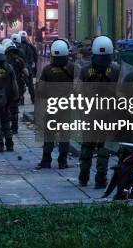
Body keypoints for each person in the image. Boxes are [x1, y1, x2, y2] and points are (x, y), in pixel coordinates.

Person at [77, 35, 121, 189]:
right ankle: (100, 180)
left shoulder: (84, 70)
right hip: (109, 115)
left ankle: (83, 178)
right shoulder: (116, 70)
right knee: (104, 149)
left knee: (87, 147)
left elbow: (78, 91)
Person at [36, 39, 74, 170]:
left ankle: (46, 160)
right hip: (66, 107)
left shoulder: (47, 70)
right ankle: (62, 162)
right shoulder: (72, 67)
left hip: (52, 106)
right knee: (65, 135)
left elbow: (40, 90)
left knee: (49, 134)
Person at [2, 39, 29, 134]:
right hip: (17, 86)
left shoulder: (2, 60)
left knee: (5, 107)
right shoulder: (19, 60)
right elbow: (26, 73)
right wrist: (23, 78)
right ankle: (15, 128)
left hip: (5, 87)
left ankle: (5, 127)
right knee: (14, 107)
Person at [19, 31, 37, 104]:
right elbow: (36, 58)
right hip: (29, 68)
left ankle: (21, 99)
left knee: (20, 84)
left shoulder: (17, 47)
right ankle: (33, 99)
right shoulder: (31, 46)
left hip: (20, 68)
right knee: (30, 85)